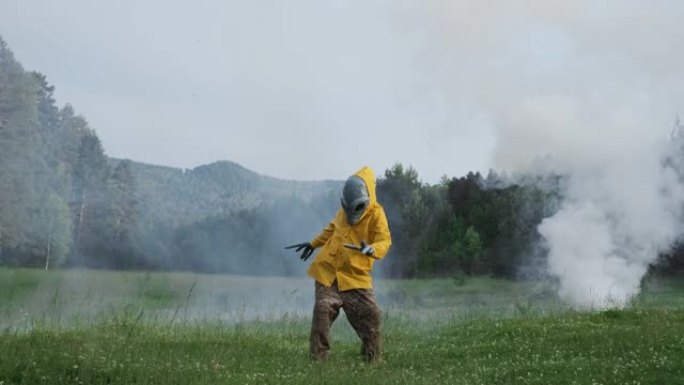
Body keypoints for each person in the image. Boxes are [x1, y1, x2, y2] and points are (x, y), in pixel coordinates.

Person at [286, 166, 392, 362]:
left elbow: (384, 241)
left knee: (372, 315)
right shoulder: (342, 213)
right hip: (329, 274)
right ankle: (318, 358)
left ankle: (372, 357)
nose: (351, 212)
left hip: (355, 277)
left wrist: (372, 249)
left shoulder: (377, 215)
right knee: (322, 309)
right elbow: (331, 230)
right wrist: (313, 243)